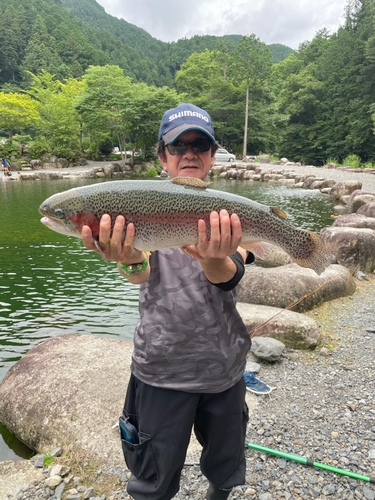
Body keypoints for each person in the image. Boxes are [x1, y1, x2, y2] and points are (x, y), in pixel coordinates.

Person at [82, 103, 254, 500]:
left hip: (223, 368)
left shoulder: (229, 215)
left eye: (200, 144)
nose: (189, 153)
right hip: (160, 368)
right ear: (163, 157)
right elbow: (139, 274)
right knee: (153, 478)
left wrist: (214, 257)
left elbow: (232, 274)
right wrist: (128, 259)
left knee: (224, 464)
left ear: (212, 155)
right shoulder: (137, 205)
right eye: (178, 146)